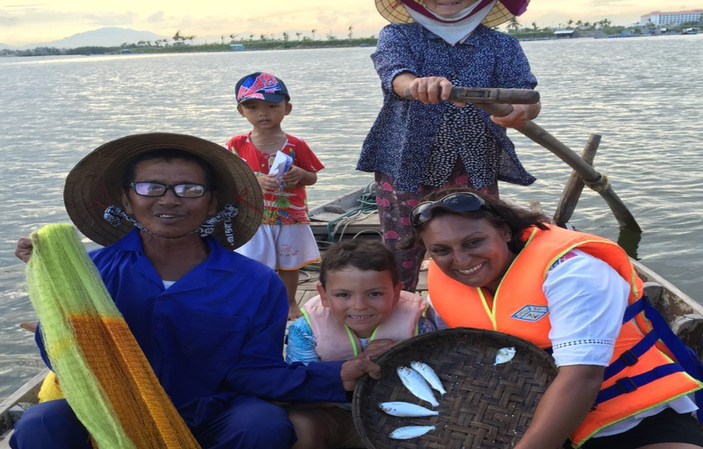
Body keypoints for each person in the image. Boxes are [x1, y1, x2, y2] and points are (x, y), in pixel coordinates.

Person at [11, 133, 381, 449]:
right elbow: (64, 356)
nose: (169, 200)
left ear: (213, 202)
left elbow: (254, 372)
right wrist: (52, 280)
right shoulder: (91, 273)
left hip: (210, 411)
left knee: (262, 424)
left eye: (189, 188)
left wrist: (338, 374)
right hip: (112, 407)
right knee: (40, 423)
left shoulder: (255, 282)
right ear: (127, 200)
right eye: (151, 186)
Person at [405, 188, 703, 449]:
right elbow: (446, 350)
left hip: (633, 421)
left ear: (503, 230)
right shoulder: (444, 278)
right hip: (516, 419)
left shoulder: (573, 273)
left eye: (474, 242)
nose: (461, 260)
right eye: (442, 249)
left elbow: (582, 377)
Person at [357, 0, 542, 291]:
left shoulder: (501, 44)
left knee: (475, 242)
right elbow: (395, 75)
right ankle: (400, 314)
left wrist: (520, 112)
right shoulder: (399, 35)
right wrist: (417, 85)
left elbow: (526, 95)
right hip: (405, 163)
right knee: (402, 246)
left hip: (473, 164)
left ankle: (482, 311)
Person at [284, 238, 435, 449]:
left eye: (375, 294)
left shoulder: (421, 327)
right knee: (300, 422)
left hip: (407, 418)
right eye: (343, 295)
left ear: (396, 292)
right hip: (338, 418)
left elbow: (435, 386)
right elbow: (300, 395)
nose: (360, 306)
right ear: (324, 296)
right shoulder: (304, 331)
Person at [226, 72, 324, 320]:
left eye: (272, 106)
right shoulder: (236, 145)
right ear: (241, 111)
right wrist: (254, 181)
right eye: (253, 107)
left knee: (288, 264)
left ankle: (290, 303)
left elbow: (312, 178)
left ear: (287, 109)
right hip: (254, 219)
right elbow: (227, 181)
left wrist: (301, 174)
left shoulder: (295, 144)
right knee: (255, 264)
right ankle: (257, 303)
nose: (263, 113)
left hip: (290, 216)